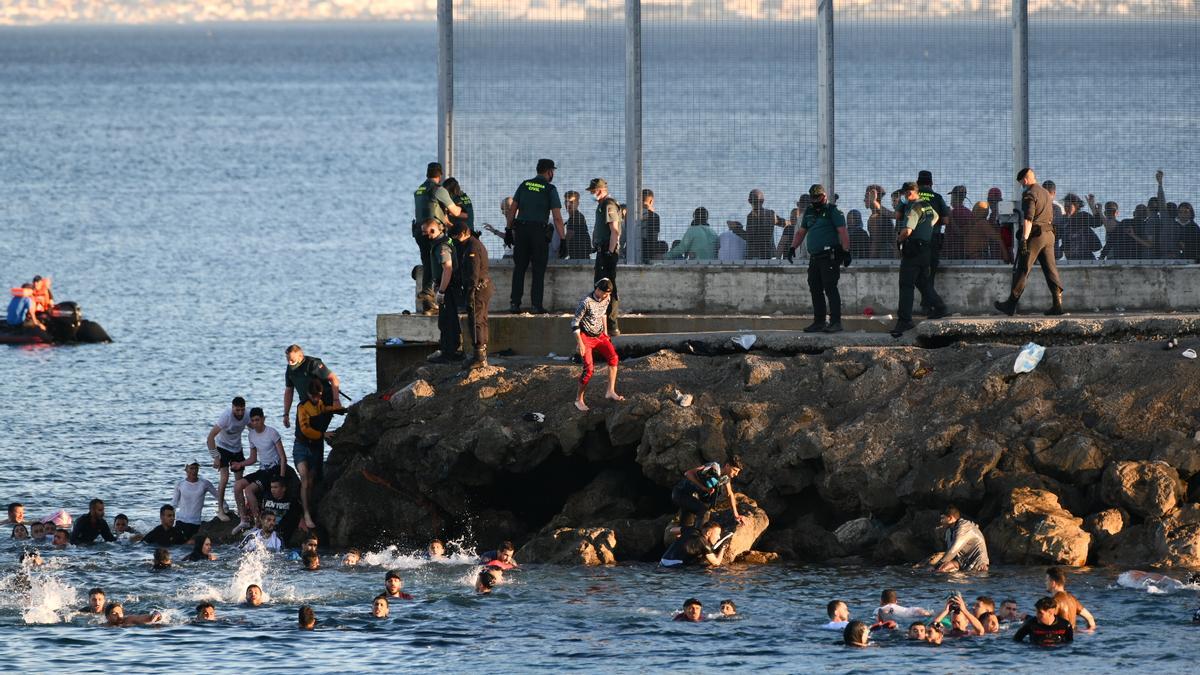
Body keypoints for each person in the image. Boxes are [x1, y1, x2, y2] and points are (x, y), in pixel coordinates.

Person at [995, 168, 1064, 316]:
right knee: (1050, 269)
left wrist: (1024, 239)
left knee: (1023, 269)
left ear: (1025, 180)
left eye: (1021, 183)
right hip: (1049, 235)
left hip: (1036, 236)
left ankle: (1011, 304)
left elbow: (1028, 218)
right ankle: (1057, 304)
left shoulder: (1029, 194)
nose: (1022, 186)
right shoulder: (1046, 192)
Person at [787, 184, 851, 334]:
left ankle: (835, 322)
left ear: (824, 196)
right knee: (815, 288)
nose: (816, 200)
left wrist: (846, 251)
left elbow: (843, 232)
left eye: (818, 197)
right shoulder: (808, 212)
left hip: (829, 256)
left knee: (830, 287)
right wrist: (792, 248)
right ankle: (819, 322)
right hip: (815, 258)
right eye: (813, 197)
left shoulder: (832, 211)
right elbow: (801, 233)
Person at [283, 344, 341, 505]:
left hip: (324, 402)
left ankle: (316, 475)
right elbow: (289, 391)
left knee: (315, 433)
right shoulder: (289, 369)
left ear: (300, 356)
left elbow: (334, 379)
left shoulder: (313, 364)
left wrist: (336, 401)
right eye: (288, 360)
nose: (290, 362)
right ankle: (307, 473)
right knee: (302, 433)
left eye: (293, 360)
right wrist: (286, 413)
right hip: (306, 406)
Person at [506, 159, 566, 314]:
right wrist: (563, 239)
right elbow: (557, 217)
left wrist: (508, 229)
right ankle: (536, 305)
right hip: (538, 232)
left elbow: (512, 209)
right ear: (549, 172)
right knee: (538, 270)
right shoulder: (550, 188)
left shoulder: (524, 185)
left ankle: (515, 304)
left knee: (519, 268)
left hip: (521, 231)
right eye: (552, 171)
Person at [891, 182, 948, 337]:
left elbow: (907, 231)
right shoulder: (927, 206)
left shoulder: (914, 208)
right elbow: (935, 219)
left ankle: (904, 321)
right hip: (926, 250)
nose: (903, 197)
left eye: (904, 194)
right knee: (922, 282)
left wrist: (898, 239)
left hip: (913, 250)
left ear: (910, 193)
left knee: (906, 284)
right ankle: (939, 306)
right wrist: (925, 230)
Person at [413, 161, 464, 314]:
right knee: (438, 265)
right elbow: (455, 212)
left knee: (427, 262)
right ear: (440, 176)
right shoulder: (439, 190)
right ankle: (432, 295)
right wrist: (461, 207)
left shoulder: (419, 189)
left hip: (419, 231)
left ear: (427, 174)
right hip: (433, 233)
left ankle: (427, 303)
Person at [294, 380, 346, 530]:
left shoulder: (320, 403)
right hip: (301, 446)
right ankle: (306, 514)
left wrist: (338, 409)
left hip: (315, 448)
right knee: (304, 478)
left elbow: (324, 409)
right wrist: (323, 434)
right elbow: (305, 430)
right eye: (315, 396)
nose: (317, 399)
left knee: (310, 481)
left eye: (319, 396)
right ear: (309, 394)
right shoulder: (303, 407)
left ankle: (307, 510)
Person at [571, 278, 624, 412]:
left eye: (609, 294)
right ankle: (579, 399)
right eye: (605, 293)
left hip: (600, 335)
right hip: (585, 336)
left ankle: (610, 391)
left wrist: (605, 333)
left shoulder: (607, 298)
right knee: (589, 370)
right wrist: (580, 344)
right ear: (598, 290)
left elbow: (603, 314)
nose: (607, 296)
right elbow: (574, 323)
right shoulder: (585, 303)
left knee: (614, 358)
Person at [233, 408, 289, 533]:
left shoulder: (272, 433)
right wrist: (239, 464)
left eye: (257, 420)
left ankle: (257, 522)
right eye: (252, 421)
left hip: (273, 469)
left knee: (249, 490)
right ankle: (243, 520)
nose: (255, 423)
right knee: (237, 485)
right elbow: (253, 458)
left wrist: (282, 477)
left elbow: (283, 457)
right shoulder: (251, 435)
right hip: (262, 470)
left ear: (263, 419)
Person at [454, 219, 492, 370]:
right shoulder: (471, 244)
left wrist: (470, 293)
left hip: (478, 289)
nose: (455, 240)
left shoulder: (472, 247)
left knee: (476, 321)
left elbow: (473, 273)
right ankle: (481, 354)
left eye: (456, 236)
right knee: (481, 320)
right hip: (482, 288)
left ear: (464, 233)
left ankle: (479, 357)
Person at [587, 178, 623, 334]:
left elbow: (614, 231)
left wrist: (609, 251)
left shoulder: (608, 204)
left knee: (607, 287)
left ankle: (612, 324)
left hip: (608, 252)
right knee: (600, 286)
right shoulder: (601, 206)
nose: (592, 194)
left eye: (593, 191)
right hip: (602, 251)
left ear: (600, 191)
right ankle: (602, 324)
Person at [206, 396, 250, 522]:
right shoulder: (226, 417)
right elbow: (210, 438)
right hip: (223, 447)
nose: (240, 413)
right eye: (237, 410)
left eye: (242, 409)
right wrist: (215, 457)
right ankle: (220, 509)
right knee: (224, 478)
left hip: (237, 448)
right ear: (232, 408)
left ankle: (241, 511)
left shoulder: (247, 415)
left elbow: (254, 429)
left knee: (239, 481)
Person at [670, 457, 744, 532]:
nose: (736, 474)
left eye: (738, 472)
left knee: (685, 526)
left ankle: (675, 531)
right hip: (680, 493)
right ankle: (699, 536)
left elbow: (730, 494)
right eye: (735, 470)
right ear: (727, 465)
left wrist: (736, 515)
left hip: (691, 498)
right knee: (704, 512)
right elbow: (688, 473)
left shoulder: (725, 478)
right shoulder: (713, 467)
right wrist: (703, 488)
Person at [915, 171, 951, 301]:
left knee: (917, 273)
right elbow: (946, 221)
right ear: (931, 183)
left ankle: (928, 303)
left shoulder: (913, 196)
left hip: (915, 240)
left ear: (917, 184)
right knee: (930, 273)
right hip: (933, 239)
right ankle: (930, 304)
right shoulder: (937, 197)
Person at [930, 505, 989, 573]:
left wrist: (938, 564)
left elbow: (954, 549)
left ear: (950, 518)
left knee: (938, 568)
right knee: (940, 570)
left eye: (942, 518)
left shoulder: (964, 527)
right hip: (963, 562)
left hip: (978, 565)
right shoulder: (951, 530)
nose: (940, 521)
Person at [171, 461, 218, 540]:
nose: (194, 471)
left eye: (196, 468)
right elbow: (174, 504)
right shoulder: (180, 484)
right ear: (186, 470)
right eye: (191, 468)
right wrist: (169, 520)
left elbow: (218, 496)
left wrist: (225, 509)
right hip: (180, 521)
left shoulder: (205, 483)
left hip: (195, 523)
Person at [660, 521, 725, 568]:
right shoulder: (704, 543)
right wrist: (723, 548)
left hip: (663, 561)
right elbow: (716, 563)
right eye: (717, 534)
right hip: (674, 565)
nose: (719, 537)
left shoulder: (692, 530)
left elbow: (672, 530)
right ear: (708, 533)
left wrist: (681, 535)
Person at [261, 476, 303, 543]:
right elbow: (263, 513)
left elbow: (297, 515)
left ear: (283, 488)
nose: (273, 490)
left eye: (275, 487)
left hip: (283, 531)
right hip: (266, 528)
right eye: (271, 487)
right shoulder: (267, 497)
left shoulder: (291, 500)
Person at [745, 189, 783, 259]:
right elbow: (783, 223)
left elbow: (749, 237)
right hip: (770, 255)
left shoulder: (750, 217)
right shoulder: (771, 214)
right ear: (763, 201)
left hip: (756, 256)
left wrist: (737, 229)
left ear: (749, 201)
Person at [865, 185, 896, 259]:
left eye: (866, 196)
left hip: (882, 257)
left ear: (873, 197)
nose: (864, 200)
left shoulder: (876, 218)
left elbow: (876, 243)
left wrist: (870, 262)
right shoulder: (880, 214)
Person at [640, 189, 668, 261]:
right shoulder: (654, 216)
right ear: (651, 201)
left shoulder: (630, 215)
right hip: (647, 249)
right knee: (664, 245)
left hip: (633, 247)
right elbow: (654, 237)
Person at [564, 190, 592, 260]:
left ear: (577, 203)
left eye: (571, 202)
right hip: (578, 256)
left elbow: (568, 237)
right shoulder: (575, 217)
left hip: (580, 257)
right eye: (566, 201)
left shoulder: (576, 217)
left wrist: (561, 255)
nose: (568, 204)